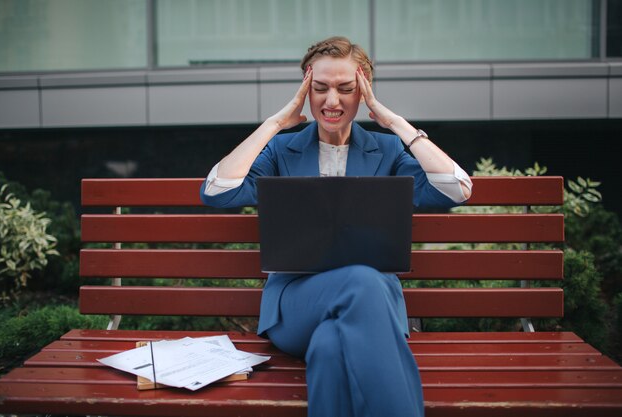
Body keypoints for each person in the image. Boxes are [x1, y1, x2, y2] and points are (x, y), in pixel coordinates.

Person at [201, 36, 472, 417]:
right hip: (296, 305)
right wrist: (276, 122)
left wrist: (393, 122)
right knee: (362, 280)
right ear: (305, 91)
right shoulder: (282, 152)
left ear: (363, 93)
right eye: (320, 88)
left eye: (346, 89)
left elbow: (457, 189)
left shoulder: (388, 152)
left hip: (372, 310)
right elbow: (217, 190)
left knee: (329, 349)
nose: (332, 101)